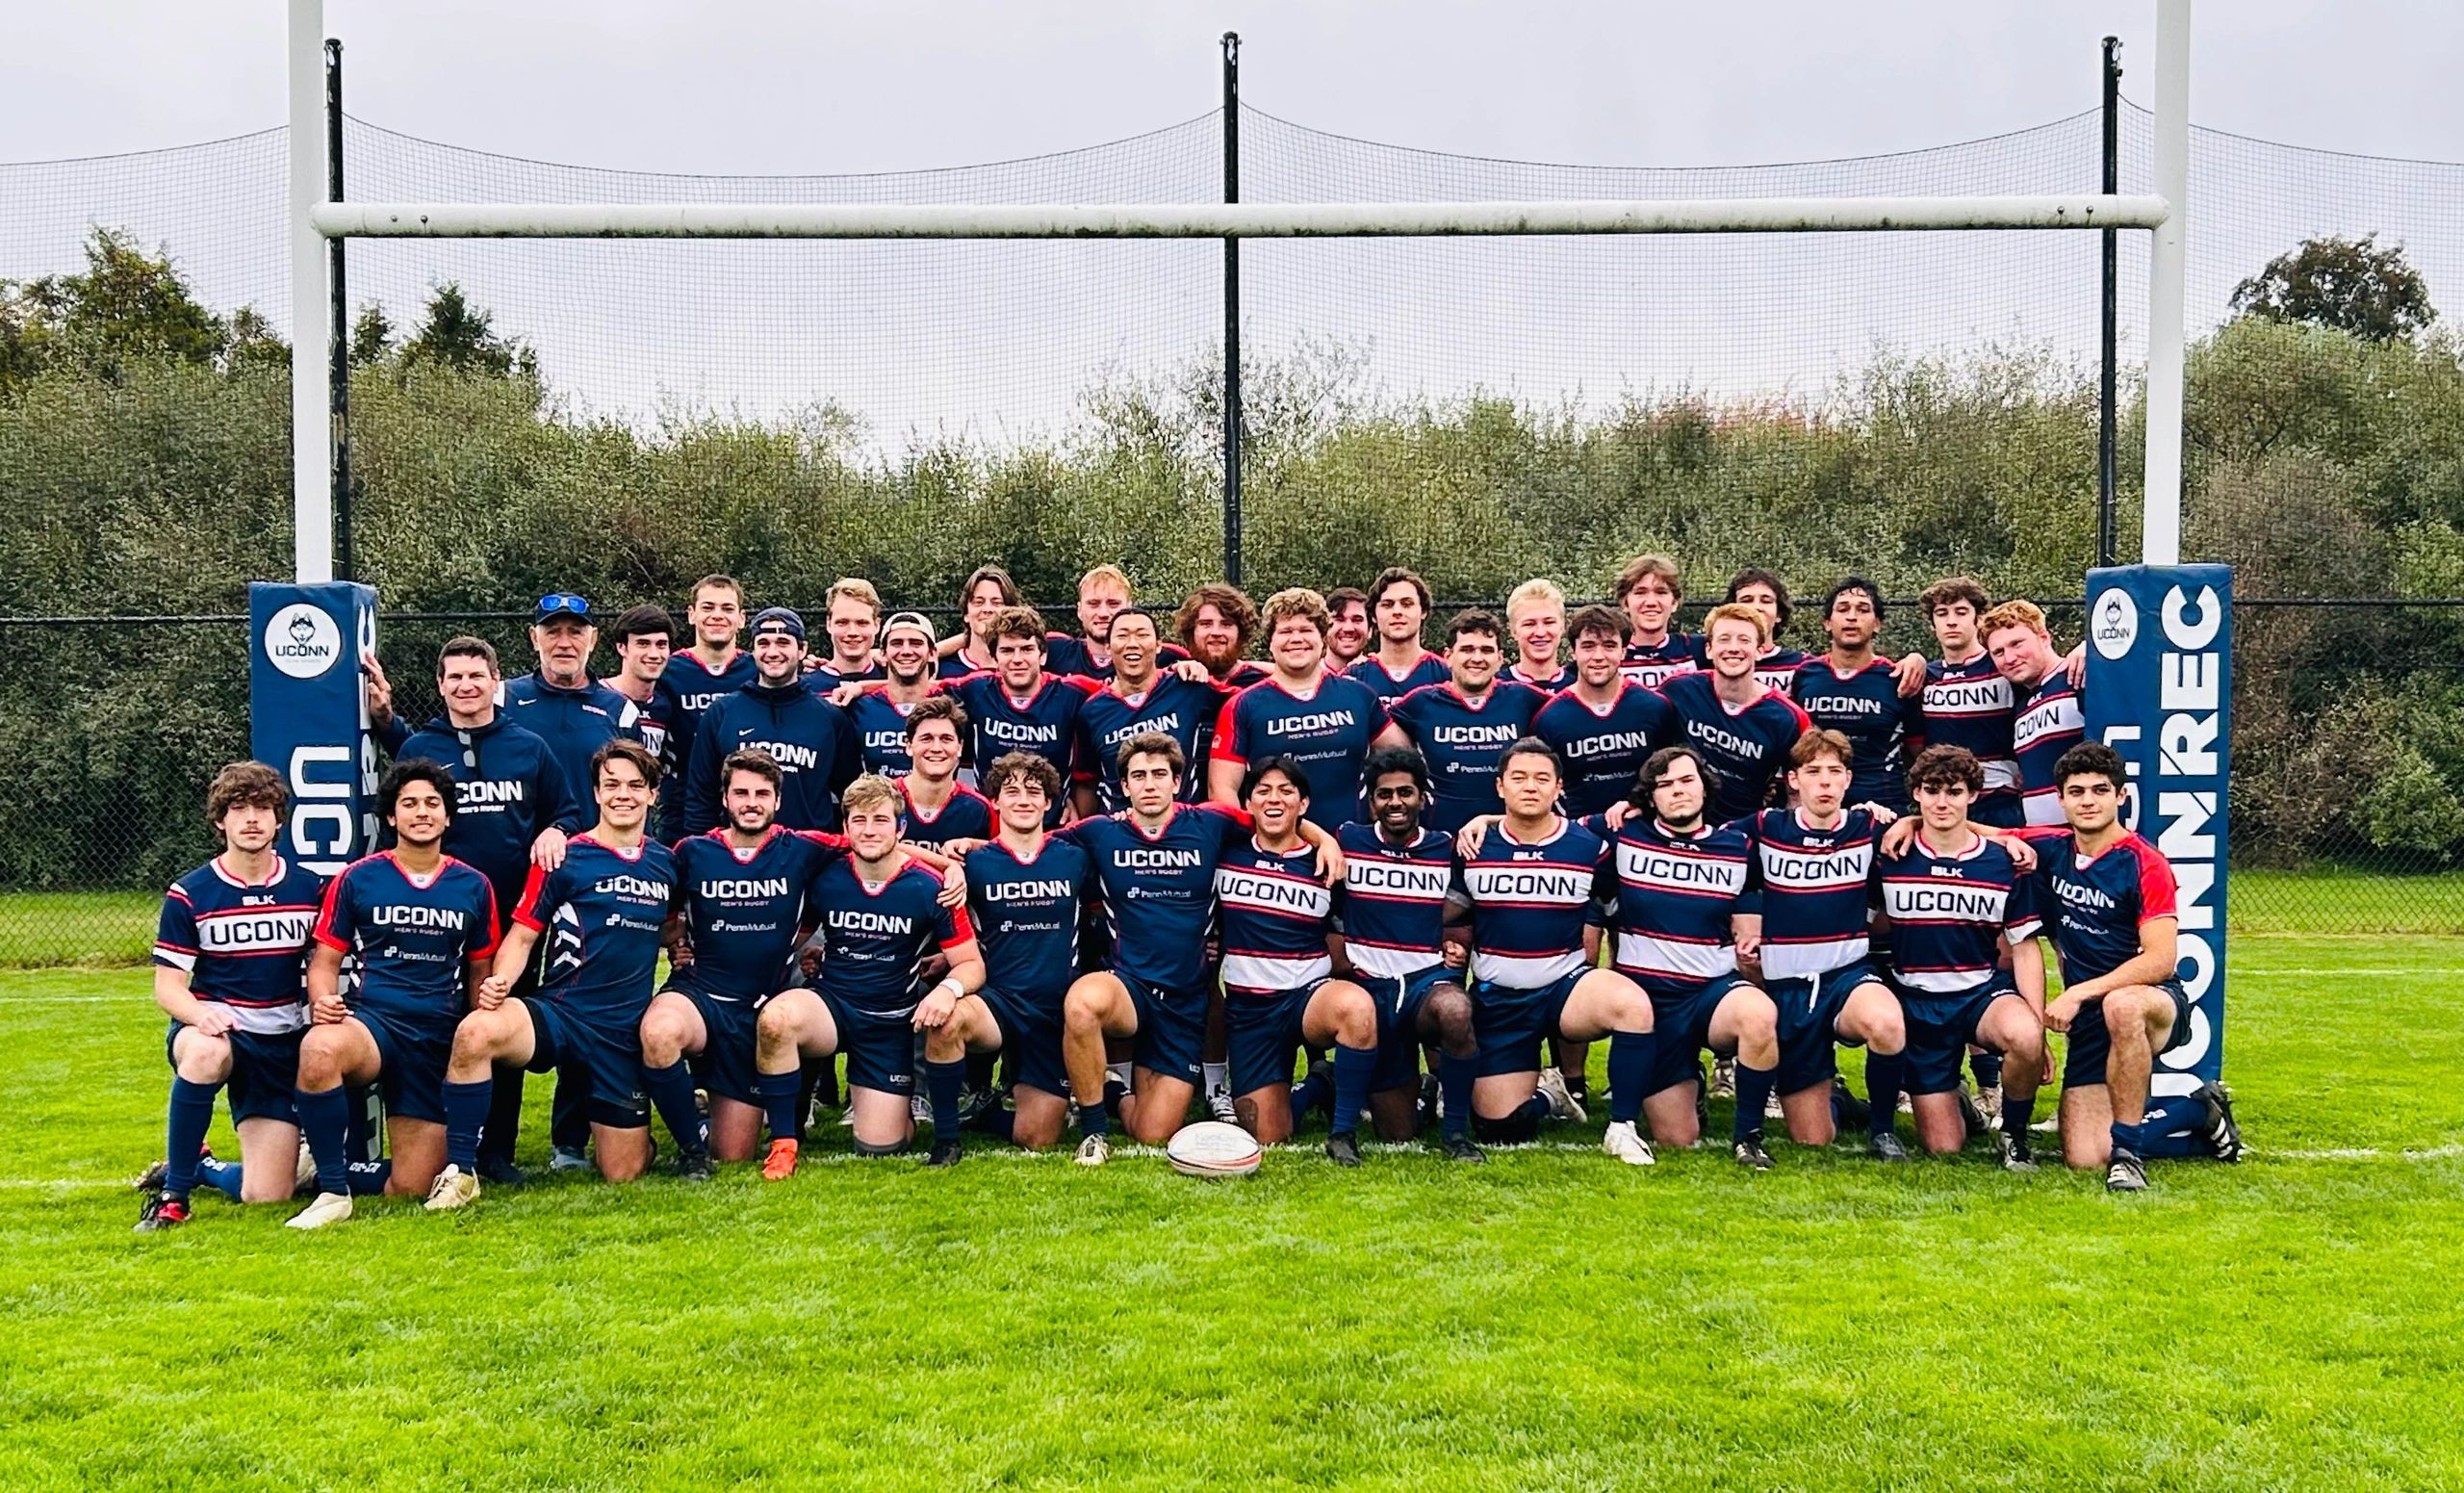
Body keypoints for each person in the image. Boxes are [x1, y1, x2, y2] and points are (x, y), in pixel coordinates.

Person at [1056, 733, 1340, 1163]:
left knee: (1152, 1132)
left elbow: (1273, 816)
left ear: (1177, 781)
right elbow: (1033, 845)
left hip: (1185, 1002)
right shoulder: (1100, 831)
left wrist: (1325, 840)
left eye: (1159, 774)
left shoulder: (1211, 822)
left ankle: (1113, 1090)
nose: (1149, 784)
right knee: (1081, 1004)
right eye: (1138, 776)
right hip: (1129, 987)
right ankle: (1094, 1132)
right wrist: (965, 851)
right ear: (1124, 786)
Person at [429, 739, 677, 1208]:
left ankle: (629, 1132)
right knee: (476, 1032)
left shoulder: (666, 863)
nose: (622, 795)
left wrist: (681, 946)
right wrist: (499, 983)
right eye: (611, 785)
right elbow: (523, 936)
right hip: (563, 1014)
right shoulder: (564, 858)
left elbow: (669, 928)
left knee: (624, 1171)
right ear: (596, 793)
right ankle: (460, 1171)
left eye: (634, 785)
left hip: (621, 1031)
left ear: (652, 794)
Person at [392, 635, 581, 1184]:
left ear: (497, 681)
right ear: (440, 685)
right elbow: (397, 820)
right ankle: (445, 1144)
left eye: (476, 675)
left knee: (497, 1023)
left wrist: (555, 830)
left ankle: (496, 1151)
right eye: (455, 677)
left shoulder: (528, 746)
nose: (466, 686)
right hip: (439, 918)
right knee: (438, 1024)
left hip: (515, 920)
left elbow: (567, 810)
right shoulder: (420, 750)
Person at [2016, 742, 2241, 1191]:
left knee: (2120, 1005)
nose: (2088, 801)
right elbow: (1971, 831)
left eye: (2100, 790)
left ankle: (2127, 1158)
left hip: (2153, 1003)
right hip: (2090, 1021)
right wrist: (1909, 822)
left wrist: (2080, 992)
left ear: (2120, 796)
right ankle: (2194, 1110)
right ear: (2060, 800)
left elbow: (2160, 959)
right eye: (2076, 792)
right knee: (2084, 1157)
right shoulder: (2052, 847)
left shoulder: (2146, 863)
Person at [287, 759, 501, 1228]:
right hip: (374, 1025)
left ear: (448, 816)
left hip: (434, 1036)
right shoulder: (357, 877)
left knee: (413, 1185)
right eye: (409, 803)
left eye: (432, 803)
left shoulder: (474, 885)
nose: (421, 812)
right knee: (319, 1049)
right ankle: (331, 1191)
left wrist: (472, 1035)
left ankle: (313, 1168)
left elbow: (479, 974)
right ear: (390, 815)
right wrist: (323, 1001)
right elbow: (324, 962)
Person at [752, 774, 986, 1173]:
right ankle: (785, 1142)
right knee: (777, 1020)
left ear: (900, 828)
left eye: (880, 820)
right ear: (845, 828)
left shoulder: (931, 887)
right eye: (859, 820)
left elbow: (972, 964)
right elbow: (792, 939)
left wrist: (947, 990)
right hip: (832, 1007)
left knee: (881, 1146)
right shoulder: (827, 876)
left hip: (888, 1022)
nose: (869, 830)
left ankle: (896, 1103)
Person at [1448, 738, 1659, 1164]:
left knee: (1632, 1005)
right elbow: (1449, 913)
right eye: (1519, 778)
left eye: (1542, 778)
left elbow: (1621, 909)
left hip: (1564, 988)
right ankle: (1551, 1095)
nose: (1531, 786)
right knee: (1499, 1127)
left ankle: (1622, 1127)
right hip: (1499, 998)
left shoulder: (1589, 845)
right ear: (1500, 786)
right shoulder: (1473, 845)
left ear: (1558, 787)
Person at [137, 762, 326, 1231]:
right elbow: (168, 987)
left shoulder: (310, 888)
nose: (252, 819)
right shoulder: (191, 892)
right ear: (221, 820)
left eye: (263, 807)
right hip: (218, 1033)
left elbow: (325, 969)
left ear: (279, 820)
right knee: (206, 1052)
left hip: (280, 1043)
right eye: (239, 808)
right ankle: (174, 1197)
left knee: (268, 1194)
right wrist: (200, 1016)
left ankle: (201, 1166)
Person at [1576, 746, 1780, 1168]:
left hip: (1710, 994)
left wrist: (1751, 946)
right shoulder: (1622, 834)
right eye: (1664, 785)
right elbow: (1545, 825)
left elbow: (1748, 911)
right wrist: (1485, 821)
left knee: (1759, 1014)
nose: (1677, 791)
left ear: (1705, 786)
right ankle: (1691, 1079)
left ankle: (1749, 1138)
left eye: (1687, 780)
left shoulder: (1738, 845)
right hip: (1649, 1005)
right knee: (1676, 1138)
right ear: (1650, 797)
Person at [646, 749, 843, 1173]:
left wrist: (951, 867)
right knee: (659, 1032)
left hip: (756, 1011)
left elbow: (876, 844)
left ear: (778, 801)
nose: (751, 802)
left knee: (734, 1152)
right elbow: (665, 922)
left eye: (762, 793)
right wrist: (676, 943)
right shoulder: (692, 852)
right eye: (741, 793)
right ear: (725, 799)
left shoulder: (802, 847)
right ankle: (690, 1151)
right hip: (700, 997)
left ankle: (705, 1120)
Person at [1735, 729, 1911, 1160]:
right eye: (1813, 772)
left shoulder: (1867, 827)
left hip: (1846, 976)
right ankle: (1840, 1101)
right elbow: (1704, 844)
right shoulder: (1766, 827)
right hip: (1788, 987)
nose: (1825, 782)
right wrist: (1746, 921)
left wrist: (1908, 820)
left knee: (1886, 1022)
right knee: (1813, 1138)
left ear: (1849, 779)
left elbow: (1936, 827)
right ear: (1794, 780)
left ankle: (1883, 1132)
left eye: (1835, 771)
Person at [1876, 744, 2047, 1169]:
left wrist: (2040, 1029)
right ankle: (1961, 1102)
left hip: (1979, 995)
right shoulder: (1892, 855)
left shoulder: (2002, 861)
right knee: (1944, 1148)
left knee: (2024, 1036)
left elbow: (2025, 948)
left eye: (1954, 792)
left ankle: (2014, 1133)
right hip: (1917, 1003)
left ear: (1972, 795)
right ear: (1916, 793)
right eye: (1932, 790)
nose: (1942, 802)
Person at [925, 752, 1095, 1160]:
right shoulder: (974, 863)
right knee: (947, 1022)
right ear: (995, 801)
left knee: (1038, 1138)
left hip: (1053, 1011)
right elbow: (900, 853)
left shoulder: (1074, 856)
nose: (1023, 800)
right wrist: (947, 865)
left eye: (1033, 792)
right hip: (1000, 1003)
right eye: (1012, 791)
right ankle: (946, 1140)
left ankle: (986, 1113)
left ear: (1049, 802)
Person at [1214, 756, 1383, 1165]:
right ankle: (1318, 1086)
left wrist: (1325, 841)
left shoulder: (1327, 862)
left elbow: (1351, 930)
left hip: (1307, 997)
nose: (1274, 800)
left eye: (1286, 792)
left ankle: (1342, 1133)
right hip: (1250, 1008)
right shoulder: (1224, 850)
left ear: (1303, 803)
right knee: (1266, 1134)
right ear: (1248, 803)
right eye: (1263, 791)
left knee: (1357, 1008)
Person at [1337, 746, 1483, 1161]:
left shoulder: (1447, 847)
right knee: (1397, 1133)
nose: (1395, 802)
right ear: (1372, 801)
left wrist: (1455, 940)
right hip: (1371, 991)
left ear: (1423, 797)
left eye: (1406, 792)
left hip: (1425, 983)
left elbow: (1470, 907)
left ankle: (1456, 1134)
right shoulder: (1348, 839)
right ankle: (1338, 1082)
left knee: (1455, 1009)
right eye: (1384, 794)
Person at [1211, 586, 1408, 831]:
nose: (1296, 639)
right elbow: (1221, 790)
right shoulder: (1242, 705)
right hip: (1278, 848)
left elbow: (1405, 757)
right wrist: (1250, 839)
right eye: (1285, 631)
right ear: (1270, 642)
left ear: (1323, 638)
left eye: (1306, 630)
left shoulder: (1359, 695)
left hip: (1352, 844)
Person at [682, 607, 861, 837]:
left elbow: (852, 798)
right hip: (741, 851)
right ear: (753, 651)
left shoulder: (831, 718)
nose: (773, 652)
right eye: (763, 643)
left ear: (802, 649)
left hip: (810, 853)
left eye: (783, 643)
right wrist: (701, 849)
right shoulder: (722, 713)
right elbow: (700, 797)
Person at [1388, 608, 1552, 833]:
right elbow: (1374, 729)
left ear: (1499, 659)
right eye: (1467, 649)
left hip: (1507, 835)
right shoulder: (1420, 702)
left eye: (1486, 650)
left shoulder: (1524, 698)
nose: (1477, 658)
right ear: (1448, 656)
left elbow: (1571, 714)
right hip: (1441, 836)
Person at [934, 605, 1095, 820]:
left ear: (1043, 655)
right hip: (990, 825)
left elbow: (1124, 692)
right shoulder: (975, 688)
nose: (1017, 659)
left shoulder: (1074, 692)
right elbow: (915, 687)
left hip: (1052, 823)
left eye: (1027, 649)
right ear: (994, 657)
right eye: (1007, 650)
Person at [1659, 603, 1811, 824]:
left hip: (1742, 833)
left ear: (1759, 651)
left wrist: (1791, 832)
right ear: (1708, 649)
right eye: (1724, 639)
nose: (1733, 648)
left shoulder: (1788, 718)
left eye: (1744, 640)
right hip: (1677, 825)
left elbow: (1799, 787)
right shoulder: (1679, 690)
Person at [1073, 605, 1231, 812]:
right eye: (1122, 635)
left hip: (1182, 823)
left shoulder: (1189, 686)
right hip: (1119, 826)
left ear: (1158, 646)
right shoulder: (1092, 712)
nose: (1132, 644)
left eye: (1142, 635)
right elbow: (1086, 782)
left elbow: (1250, 697)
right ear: (1108, 648)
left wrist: (1273, 666)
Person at [1789, 578, 1926, 813]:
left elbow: (1919, 753)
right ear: (1827, 623)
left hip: (1884, 808)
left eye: (1862, 609)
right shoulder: (1805, 674)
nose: (1852, 617)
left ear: (1877, 624)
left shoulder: (1898, 678)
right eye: (1843, 609)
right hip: (1818, 807)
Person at [499, 592, 648, 806]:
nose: (564, 643)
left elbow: (636, 790)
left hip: (592, 828)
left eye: (575, 632)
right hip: (523, 829)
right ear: (534, 638)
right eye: (553, 632)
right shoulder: (503, 700)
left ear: (593, 639)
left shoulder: (620, 711)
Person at [1533, 603, 1677, 818]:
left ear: (1623, 651)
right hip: (1579, 831)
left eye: (1609, 646)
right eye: (1588, 646)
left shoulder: (1656, 707)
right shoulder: (1549, 718)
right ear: (1573, 652)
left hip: (1642, 827)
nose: (1598, 656)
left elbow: (1673, 771)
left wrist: (1643, 805)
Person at [658, 575, 759, 841]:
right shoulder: (667, 670)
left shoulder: (759, 669)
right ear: (691, 614)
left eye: (727, 608)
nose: (717, 615)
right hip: (682, 806)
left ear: (741, 618)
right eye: (708, 607)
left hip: (749, 806)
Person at [1917, 578, 2023, 830]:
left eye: (1961, 612)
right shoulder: (1924, 676)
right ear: (1932, 624)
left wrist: (2084, 651)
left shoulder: (2004, 666)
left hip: (2001, 800)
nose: (1951, 621)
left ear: (1979, 618)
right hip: (1944, 802)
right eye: (1942, 613)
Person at [1983, 599, 2086, 828]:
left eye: (2017, 644)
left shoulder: (2077, 676)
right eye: (1998, 652)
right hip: (2040, 837)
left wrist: (2093, 647)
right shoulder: (2020, 704)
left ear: (2044, 638)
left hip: (2086, 834)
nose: (2010, 658)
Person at [848, 610, 942, 777]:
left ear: (932, 653)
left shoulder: (953, 702)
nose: (906, 651)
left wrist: (862, 686)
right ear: (883, 654)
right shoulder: (859, 708)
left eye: (916, 643)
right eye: (897, 643)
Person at [895, 696, 995, 850]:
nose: (936, 748)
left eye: (946, 739)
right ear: (909, 746)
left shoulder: (980, 810)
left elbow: (1000, 857)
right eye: (926, 739)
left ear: (960, 747)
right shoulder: (883, 799)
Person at [1347, 567, 1451, 704]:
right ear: (1373, 615)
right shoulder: (1353, 678)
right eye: (1387, 605)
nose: (1397, 611)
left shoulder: (1446, 674)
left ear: (1423, 611)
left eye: (1407, 604)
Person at [603, 605, 678, 777]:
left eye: (661, 645)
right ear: (622, 647)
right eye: (643, 644)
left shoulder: (666, 705)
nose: (654, 654)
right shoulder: (596, 699)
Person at [1718, 569, 1808, 695]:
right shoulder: (1713, 660)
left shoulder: (1803, 665)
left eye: (1766, 601)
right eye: (1746, 600)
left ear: (1779, 614)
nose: (1756, 607)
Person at [1614, 554, 1697, 690]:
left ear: (1674, 603)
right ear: (1625, 603)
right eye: (1640, 592)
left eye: (1661, 592)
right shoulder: (1607, 655)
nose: (1651, 602)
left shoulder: (1696, 649)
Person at [1176, 581, 1270, 690]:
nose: (1216, 632)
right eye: (1206, 624)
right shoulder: (1174, 682)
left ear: (1241, 632)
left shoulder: (1261, 684)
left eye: (1226, 624)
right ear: (1191, 630)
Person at [937, 564, 1020, 679]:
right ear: (966, 613)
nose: (987, 609)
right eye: (979, 602)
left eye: (997, 603)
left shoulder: (1026, 666)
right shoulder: (942, 669)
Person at [810, 577, 887, 687]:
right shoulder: (805, 688)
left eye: (862, 623)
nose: (852, 632)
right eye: (842, 622)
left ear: (876, 625)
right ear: (829, 624)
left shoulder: (897, 685)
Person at [1503, 578, 1574, 692]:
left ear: (1563, 626)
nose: (1540, 633)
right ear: (1513, 630)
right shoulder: (1497, 689)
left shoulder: (1580, 687)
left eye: (1549, 622)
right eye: (1529, 624)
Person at [1324, 586, 1373, 673]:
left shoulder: (1382, 677)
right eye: (1339, 619)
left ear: (1370, 630)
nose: (1348, 628)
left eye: (1357, 620)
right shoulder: (1304, 677)